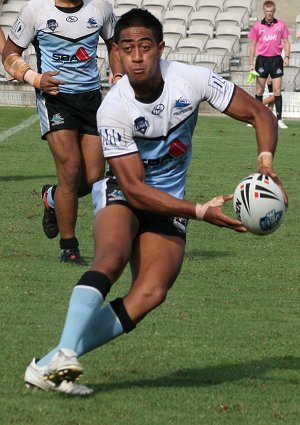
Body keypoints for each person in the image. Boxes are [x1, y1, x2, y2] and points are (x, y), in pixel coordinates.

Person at [23, 8, 288, 395]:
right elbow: (133, 189)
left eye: (145, 47)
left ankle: (49, 363)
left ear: (160, 48)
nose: (136, 56)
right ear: (116, 51)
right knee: (110, 258)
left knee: (151, 292)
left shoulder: (192, 80)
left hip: (170, 199)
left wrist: (265, 162)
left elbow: (259, 113)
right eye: (127, 48)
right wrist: (200, 212)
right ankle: (64, 352)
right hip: (123, 193)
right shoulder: (113, 107)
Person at [2, 0, 123, 265]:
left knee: (93, 178)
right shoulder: (36, 10)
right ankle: (69, 247)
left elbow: (115, 44)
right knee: (69, 169)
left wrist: (117, 77)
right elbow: (9, 54)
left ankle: (52, 198)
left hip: (91, 99)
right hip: (55, 99)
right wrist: (35, 79)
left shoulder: (100, 7)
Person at [248, 0, 290, 129]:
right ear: (264, 11)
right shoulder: (257, 26)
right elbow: (253, 45)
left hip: (276, 60)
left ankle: (279, 119)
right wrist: (250, 63)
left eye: (271, 11)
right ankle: (256, 118)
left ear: (274, 11)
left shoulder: (281, 25)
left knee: (277, 91)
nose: (269, 14)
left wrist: (287, 56)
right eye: (267, 11)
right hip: (262, 60)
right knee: (259, 91)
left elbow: (286, 42)